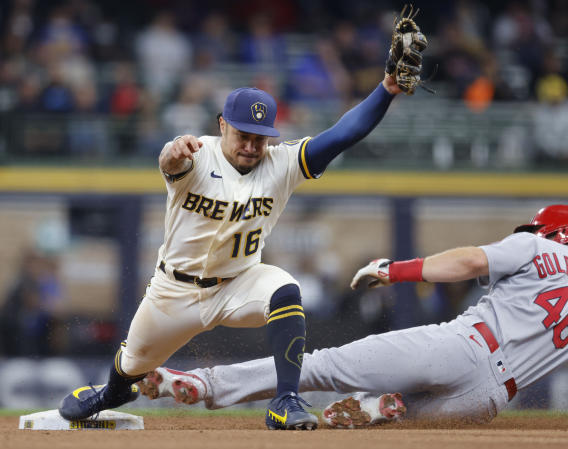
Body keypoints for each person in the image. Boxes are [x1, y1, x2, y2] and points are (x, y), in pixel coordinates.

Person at [57, 54, 410, 430]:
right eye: (243, 135)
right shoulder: (195, 153)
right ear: (222, 125)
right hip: (174, 291)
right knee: (131, 366)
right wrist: (171, 153)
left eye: (261, 138)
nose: (252, 146)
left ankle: (286, 399)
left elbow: (342, 134)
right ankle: (115, 392)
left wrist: (386, 90)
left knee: (285, 289)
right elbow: (170, 161)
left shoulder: (282, 163)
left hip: (239, 283)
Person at [135, 205, 568, 427]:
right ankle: (379, 408)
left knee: (322, 366)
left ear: (556, 234)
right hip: (487, 400)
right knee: (377, 420)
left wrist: (395, 270)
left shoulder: (535, 246)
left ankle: (203, 384)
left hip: (462, 346)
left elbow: (467, 262)